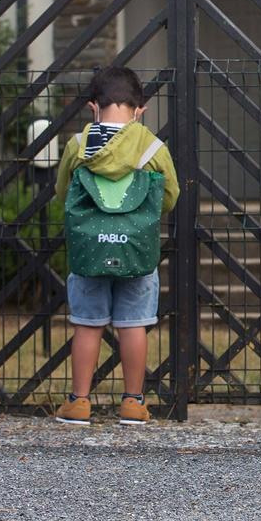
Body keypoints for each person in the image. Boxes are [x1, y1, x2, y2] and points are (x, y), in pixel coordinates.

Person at [53, 67, 179, 426]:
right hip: (136, 249)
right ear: (141, 109)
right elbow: (170, 196)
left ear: (94, 106)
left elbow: (63, 193)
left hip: (89, 250)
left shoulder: (79, 146)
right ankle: (133, 404)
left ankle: (78, 402)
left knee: (88, 325)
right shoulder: (153, 147)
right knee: (133, 324)